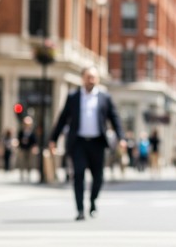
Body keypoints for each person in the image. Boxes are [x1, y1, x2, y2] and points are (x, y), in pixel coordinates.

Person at [48, 66, 126, 221]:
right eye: (88, 77)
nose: (91, 80)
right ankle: (80, 210)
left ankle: (92, 201)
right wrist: (53, 139)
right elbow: (63, 118)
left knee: (98, 177)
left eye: (93, 77)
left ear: (97, 79)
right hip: (78, 143)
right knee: (78, 175)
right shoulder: (73, 97)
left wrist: (121, 138)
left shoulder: (105, 97)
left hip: (97, 142)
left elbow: (114, 118)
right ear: (82, 78)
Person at [17, 116, 38, 182]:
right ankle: (22, 175)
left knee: (29, 162)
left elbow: (35, 141)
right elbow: (18, 139)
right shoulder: (21, 131)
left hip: (29, 148)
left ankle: (28, 174)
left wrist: (34, 147)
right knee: (22, 162)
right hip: (22, 148)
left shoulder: (32, 132)